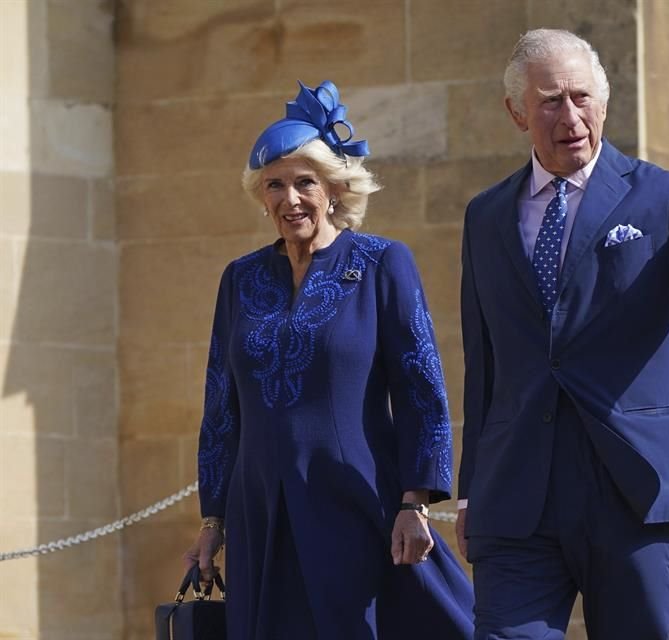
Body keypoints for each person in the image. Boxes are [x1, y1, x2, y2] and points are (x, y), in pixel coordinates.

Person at [456, 29, 669, 639]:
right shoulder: (486, 215)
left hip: (631, 483)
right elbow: (483, 358)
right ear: (517, 112)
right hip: (520, 492)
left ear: (603, 101)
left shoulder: (661, 194)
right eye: (550, 101)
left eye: (581, 97)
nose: (569, 116)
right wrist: (471, 491)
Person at [182, 80, 474, 639]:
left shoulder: (381, 262)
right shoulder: (239, 279)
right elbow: (220, 407)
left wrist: (416, 501)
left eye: (304, 183)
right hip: (260, 510)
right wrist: (213, 518)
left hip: (356, 500)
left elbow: (421, 388)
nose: (290, 199)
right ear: (260, 196)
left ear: (333, 189)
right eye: (275, 185)